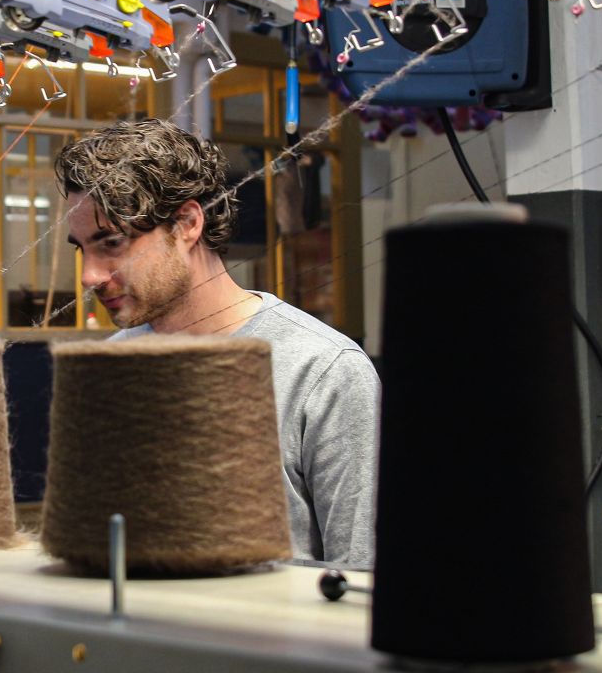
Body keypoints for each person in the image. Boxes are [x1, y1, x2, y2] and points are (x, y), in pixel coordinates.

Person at [53, 118, 381, 568]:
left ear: (187, 223)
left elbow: (359, 580)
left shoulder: (323, 371)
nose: (90, 275)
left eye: (111, 242)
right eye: (82, 249)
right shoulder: (115, 363)